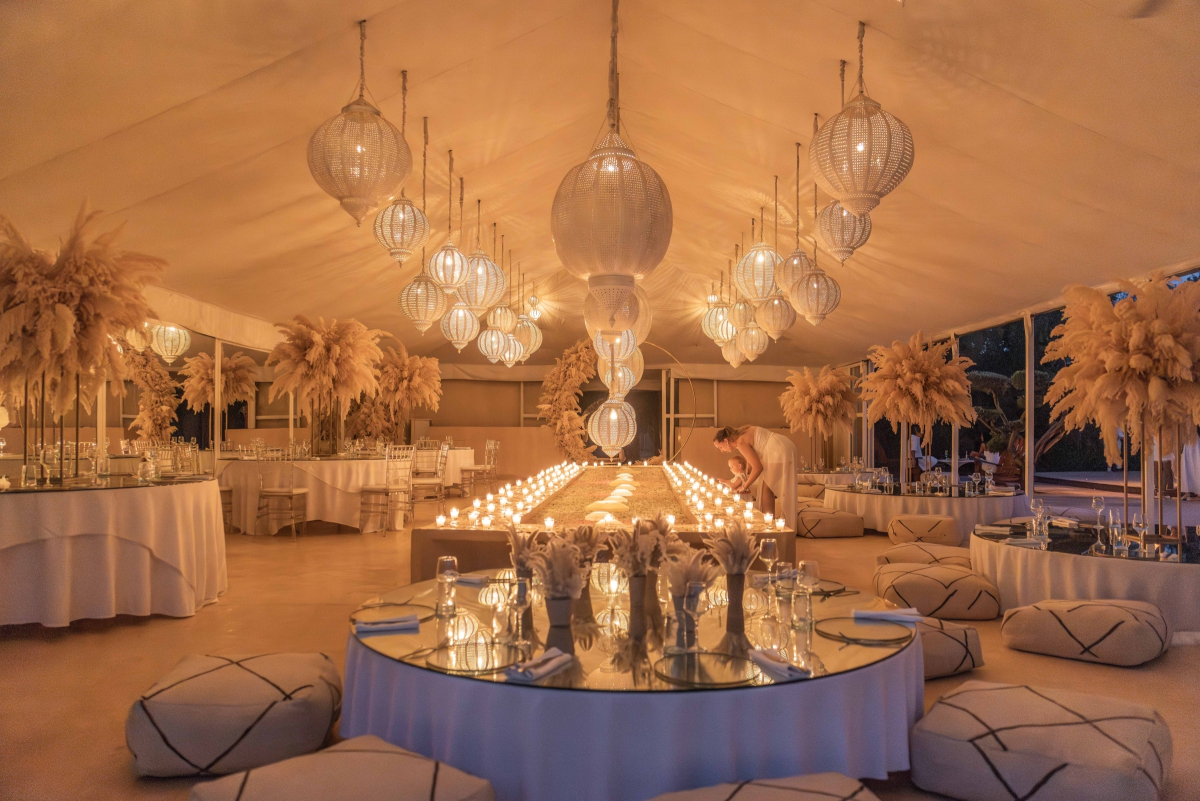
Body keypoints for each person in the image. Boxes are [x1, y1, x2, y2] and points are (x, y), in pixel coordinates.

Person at [712, 425, 797, 526]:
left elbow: (758, 468)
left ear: (726, 440)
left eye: (720, 447)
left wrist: (744, 486)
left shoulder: (740, 442)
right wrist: (748, 464)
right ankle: (769, 522)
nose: (722, 450)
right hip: (783, 444)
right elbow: (753, 448)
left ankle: (768, 525)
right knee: (767, 487)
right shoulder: (742, 433)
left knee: (767, 488)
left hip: (777, 449)